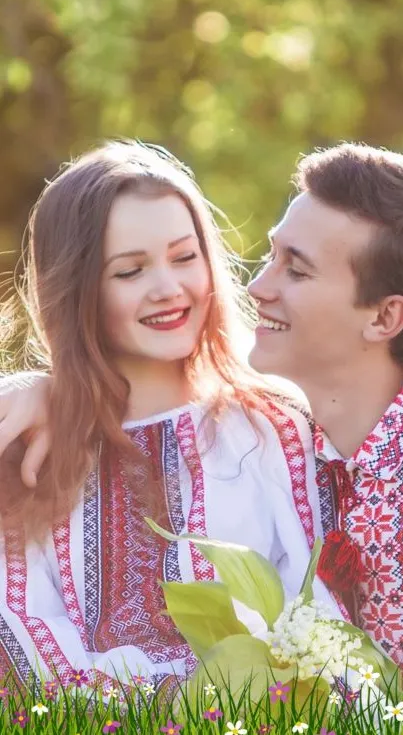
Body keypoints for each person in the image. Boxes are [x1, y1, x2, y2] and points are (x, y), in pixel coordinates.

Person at [0, 140, 338, 693]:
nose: (169, 288)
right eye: (130, 271)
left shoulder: (274, 426)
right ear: (76, 291)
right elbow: (26, 630)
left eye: (185, 257)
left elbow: (323, 608)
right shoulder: (31, 445)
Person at [248, 142, 403, 666]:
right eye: (272, 256)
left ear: (384, 318)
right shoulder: (256, 446)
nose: (256, 286)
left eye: (297, 270)